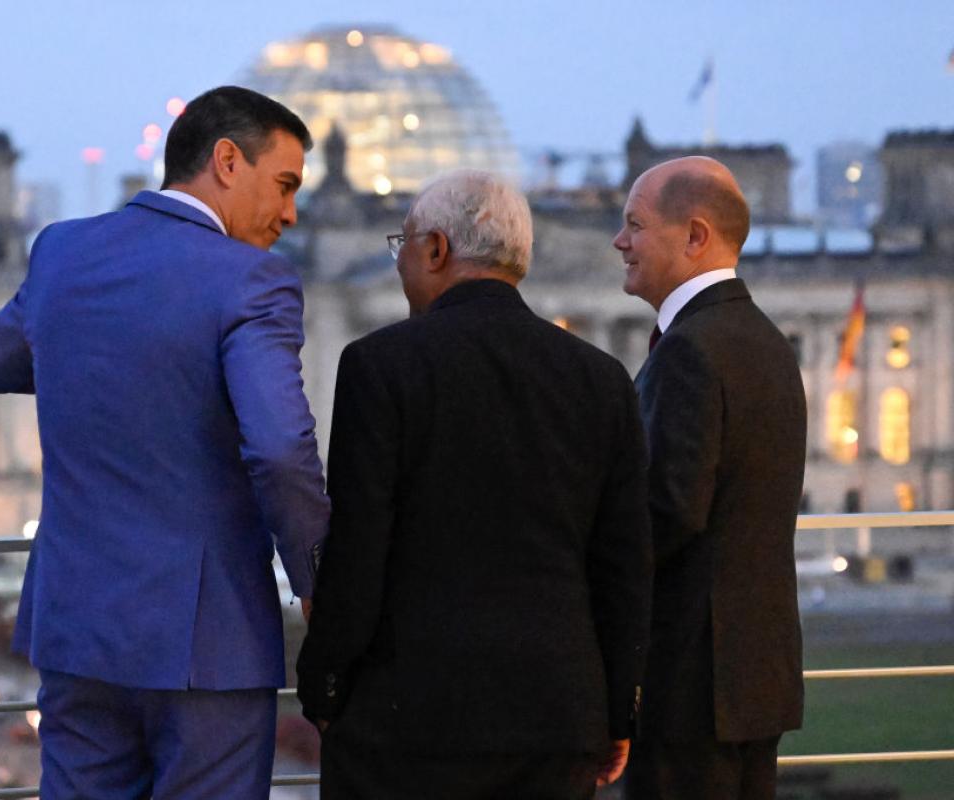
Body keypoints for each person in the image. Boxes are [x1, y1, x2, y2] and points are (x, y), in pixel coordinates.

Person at [0, 86, 330, 800]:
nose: (290, 213)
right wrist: (319, 582)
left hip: (77, 629)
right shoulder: (252, 280)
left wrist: (101, 361)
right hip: (208, 645)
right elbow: (279, 450)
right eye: (285, 185)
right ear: (227, 161)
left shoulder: (62, 251)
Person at [297, 169, 652, 799]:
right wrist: (617, 710)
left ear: (436, 249)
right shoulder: (603, 379)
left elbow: (358, 550)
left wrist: (323, 684)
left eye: (402, 244)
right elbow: (623, 567)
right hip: (556, 717)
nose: (399, 262)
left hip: (406, 720)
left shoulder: (379, 364)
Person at [614, 156, 807, 800]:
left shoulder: (692, 348)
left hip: (689, 686)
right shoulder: (765, 340)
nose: (619, 242)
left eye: (635, 225)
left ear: (694, 236)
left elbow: (668, 511)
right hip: (753, 679)